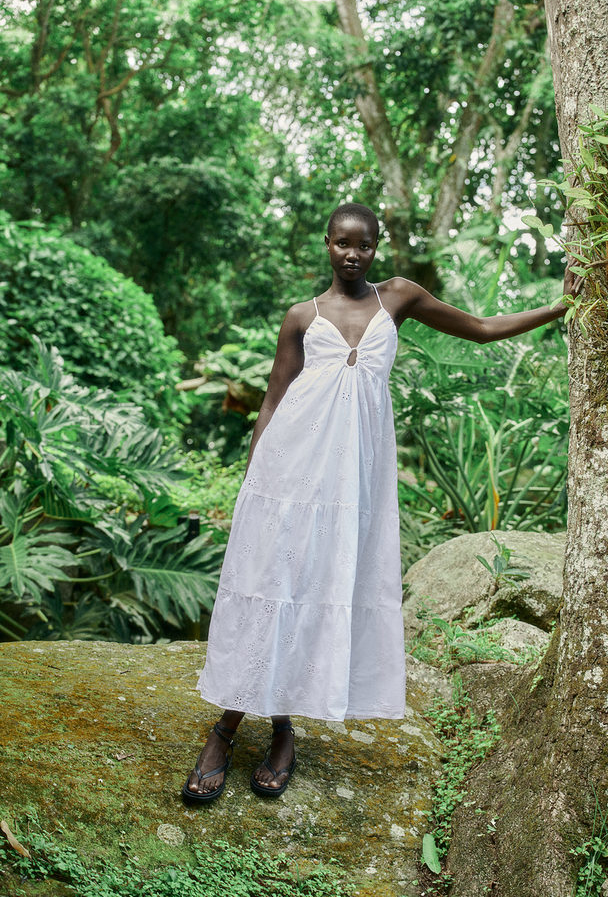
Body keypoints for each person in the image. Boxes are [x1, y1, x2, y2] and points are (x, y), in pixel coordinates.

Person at [183, 202, 571, 804]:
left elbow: (485, 327)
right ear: (327, 245)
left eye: (363, 245)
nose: (352, 254)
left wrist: (562, 306)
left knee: (319, 591)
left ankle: (284, 727)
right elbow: (273, 400)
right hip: (288, 479)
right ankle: (226, 728)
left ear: (376, 247)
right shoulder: (301, 317)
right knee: (273, 588)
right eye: (342, 243)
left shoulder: (399, 299)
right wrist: (252, 480)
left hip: (351, 490)